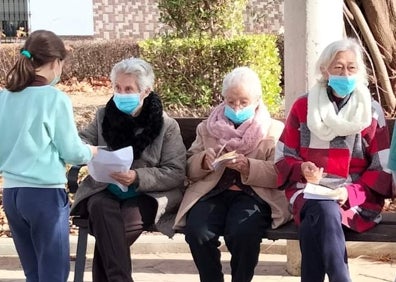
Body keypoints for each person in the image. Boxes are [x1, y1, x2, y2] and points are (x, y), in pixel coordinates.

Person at [275, 38, 393, 282]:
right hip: (307, 191)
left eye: (351, 68)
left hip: (356, 198)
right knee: (324, 210)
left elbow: (380, 169)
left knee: (315, 222)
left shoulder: (370, 110)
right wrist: (301, 169)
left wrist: (348, 193)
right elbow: (284, 155)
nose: (345, 73)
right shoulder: (302, 106)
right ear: (324, 70)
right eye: (338, 67)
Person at [70, 57, 186, 282]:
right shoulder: (104, 115)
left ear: (145, 91)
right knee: (101, 208)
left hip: (147, 194)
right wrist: (87, 149)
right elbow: (82, 141)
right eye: (117, 88)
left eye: (129, 89)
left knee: (111, 234)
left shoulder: (166, 125)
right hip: (105, 187)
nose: (121, 94)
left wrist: (136, 176)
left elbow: (175, 171)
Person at [174, 66, 291, 282]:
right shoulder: (207, 128)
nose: (236, 107)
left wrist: (249, 166)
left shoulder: (273, 129)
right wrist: (203, 161)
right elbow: (188, 167)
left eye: (243, 102)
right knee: (198, 232)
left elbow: (279, 174)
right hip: (212, 192)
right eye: (231, 101)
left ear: (257, 100)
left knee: (243, 232)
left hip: (254, 195)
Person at [0, 30, 97, 282]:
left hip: (11, 195)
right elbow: (71, 151)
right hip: (44, 195)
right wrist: (92, 152)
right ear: (56, 62)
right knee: (54, 273)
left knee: (33, 273)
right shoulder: (55, 99)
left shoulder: (5, 97)